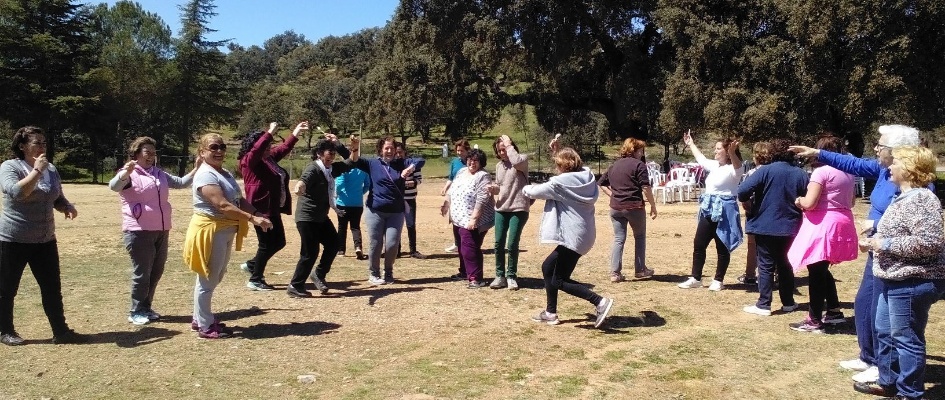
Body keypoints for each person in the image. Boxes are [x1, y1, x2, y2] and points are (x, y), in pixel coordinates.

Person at [790, 124, 921, 384]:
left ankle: (885, 366)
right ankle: (869, 357)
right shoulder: (884, 171)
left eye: (880, 145)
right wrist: (819, 152)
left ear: (896, 151)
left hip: (894, 254)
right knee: (864, 303)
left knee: (883, 314)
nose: (875, 148)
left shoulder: (914, 181)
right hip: (877, 250)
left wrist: (878, 225)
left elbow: (913, 221)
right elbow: (854, 165)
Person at [851, 146, 945, 400]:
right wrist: (874, 237)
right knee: (883, 331)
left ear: (910, 168)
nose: (889, 166)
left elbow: (930, 242)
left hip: (912, 279)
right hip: (890, 277)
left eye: (896, 162)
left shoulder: (923, 199)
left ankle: (910, 392)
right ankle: (888, 381)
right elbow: (899, 229)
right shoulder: (902, 197)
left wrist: (885, 244)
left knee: (906, 337)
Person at [0, 126, 86, 346]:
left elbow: (56, 197)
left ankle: (61, 331)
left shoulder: (51, 169)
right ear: (22, 146)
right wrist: (36, 171)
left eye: (44, 142)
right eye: (36, 142)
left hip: (45, 239)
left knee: (51, 287)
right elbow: (18, 192)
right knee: (7, 288)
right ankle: (5, 331)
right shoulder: (10, 167)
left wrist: (66, 205)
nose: (42, 146)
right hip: (13, 239)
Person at [183, 133, 273, 339]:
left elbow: (238, 199)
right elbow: (223, 205)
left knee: (215, 276)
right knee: (208, 278)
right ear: (202, 151)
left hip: (224, 230)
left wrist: (258, 214)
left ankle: (200, 318)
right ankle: (205, 326)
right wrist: (252, 219)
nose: (219, 151)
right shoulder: (206, 174)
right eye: (213, 147)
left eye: (222, 146)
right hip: (210, 230)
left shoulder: (223, 172)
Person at [109, 136, 202, 325]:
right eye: (147, 152)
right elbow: (114, 186)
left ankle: (146, 307)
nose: (151, 156)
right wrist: (124, 173)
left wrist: (197, 168)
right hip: (138, 231)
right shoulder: (129, 173)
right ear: (136, 154)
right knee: (142, 272)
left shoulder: (158, 173)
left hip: (161, 229)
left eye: (153, 152)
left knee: (156, 271)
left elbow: (181, 182)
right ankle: (136, 311)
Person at [524, 137, 614, 329]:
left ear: (563, 168)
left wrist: (523, 187)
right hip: (584, 235)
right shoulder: (585, 177)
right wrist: (556, 151)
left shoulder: (559, 184)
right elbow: (569, 171)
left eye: (558, 165)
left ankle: (599, 301)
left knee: (559, 279)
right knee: (548, 267)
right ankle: (550, 312)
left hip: (573, 237)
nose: (556, 169)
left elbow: (535, 191)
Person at [786, 136, 858, 333]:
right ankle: (834, 310)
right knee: (822, 268)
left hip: (821, 225)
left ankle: (814, 319)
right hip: (842, 222)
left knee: (816, 271)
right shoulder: (849, 173)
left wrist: (799, 201)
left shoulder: (821, 172)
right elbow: (851, 202)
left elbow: (809, 203)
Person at [738, 139, 808, 316]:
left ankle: (764, 304)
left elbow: (742, 191)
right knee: (786, 265)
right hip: (791, 225)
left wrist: (750, 204)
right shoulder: (801, 174)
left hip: (766, 224)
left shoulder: (765, 171)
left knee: (766, 265)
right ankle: (788, 302)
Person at [238, 121, 305, 291]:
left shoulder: (269, 159)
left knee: (279, 242)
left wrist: (295, 133)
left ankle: (253, 265)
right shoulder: (249, 161)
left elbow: (283, 148)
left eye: (270, 145)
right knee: (266, 245)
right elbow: (256, 151)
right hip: (259, 210)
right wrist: (269, 133)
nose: (269, 148)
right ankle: (255, 279)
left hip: (273, 209)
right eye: (266, 145)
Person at [287, 136, 357, 297]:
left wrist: (347, 146)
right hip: (307, 217)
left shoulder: (332, 168)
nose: (332, 156)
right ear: (319, 154)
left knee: (333, 244)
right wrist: (299, 187)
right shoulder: (313, 168)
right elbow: (303, 181)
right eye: (329, 153)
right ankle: (295, 285)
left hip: (320, 217)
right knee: (310, 252)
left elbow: (352, 161)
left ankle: (318, 274)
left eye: (333, 153)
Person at [350, 136, 425, 285]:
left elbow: (421, 160)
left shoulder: (401, 163)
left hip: (396, 212)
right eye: (386, 148)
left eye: (392, 148)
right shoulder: (372, 163)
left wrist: (410, 168)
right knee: (375, 243)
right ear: (381, 149)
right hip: (375, 211)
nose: (389, 151)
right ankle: (373, 273)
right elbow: (355, 160)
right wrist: (355, 146)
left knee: (392, 244)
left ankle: (388, 272)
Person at [677, 131, 743, 291]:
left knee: (722, 245)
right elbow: (701, 159)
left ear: (727, 152)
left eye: (718, 149)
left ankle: (718, 280)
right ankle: (695, 278)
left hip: (725, 209)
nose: (714, 151)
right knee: (699, 243)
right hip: (708, 208)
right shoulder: (715, 166)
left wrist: (733, 153)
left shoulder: (734, 169)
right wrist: (690, 143)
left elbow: (738, 167)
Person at [598, 137, 658, 283]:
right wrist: (653, 205)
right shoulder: (639, 165)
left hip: (616, 207)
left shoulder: (614, 166)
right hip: (634, 206)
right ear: (636, 150)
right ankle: (640, 269)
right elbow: (645, 187)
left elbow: (601, 183)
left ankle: (615, 273)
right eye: (641, 150)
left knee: (619, 238)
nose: (642, 153)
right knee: (640, 237)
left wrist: (614, 195)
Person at [441, 148, 495, 288]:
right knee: (461, 247)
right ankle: (464, 272)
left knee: (470, 249)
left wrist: (474, 219)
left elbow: (482, 199)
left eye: (476, 160)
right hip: (458, 217)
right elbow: (452, 190)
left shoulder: (483, 176)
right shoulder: (461, 172)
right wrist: (446, 204)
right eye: (470, 159)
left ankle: (475, 278)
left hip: (472, 219)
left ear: (481, 162)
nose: (472, 162)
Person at [489, 135, 531, 290]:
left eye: (505, 148)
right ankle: (499, 276)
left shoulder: (522, 161)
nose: (503, 152)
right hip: (501, 208)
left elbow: (517, 161)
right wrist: (494, 189)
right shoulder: (499, 166)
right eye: (500, 150)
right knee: (498, 243)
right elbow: (501, 186)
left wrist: (508, 144)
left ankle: (511, 276)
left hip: (518, 208)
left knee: (512, 243)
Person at [737, 142, 772, 286]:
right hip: (772, 214)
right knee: (772, 247)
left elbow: (744, 194)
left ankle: (750, 275)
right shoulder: (774, 171)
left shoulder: (752, 173)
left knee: (752, 246)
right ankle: (772, 274)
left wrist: (749, 208)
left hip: (756, 215)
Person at [396, 142, 425, 259]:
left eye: (400, 152)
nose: (398, 155)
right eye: (396, 152)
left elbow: (419, 179)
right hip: (396, 200)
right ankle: (396, 250)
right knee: (396, 226)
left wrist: (409, 183)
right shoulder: (392, 165)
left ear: (405, 152)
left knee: (411, 225)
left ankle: (413, 250)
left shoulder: (412, 164)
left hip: (409, 199)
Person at [335, 165, 370, 260]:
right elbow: (368, 184)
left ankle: (341, 250)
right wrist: (359, 193)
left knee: (342, 227)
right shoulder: (362, 169)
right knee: (355, 227)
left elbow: (340, 184)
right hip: (357, 203)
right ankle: (358, 247)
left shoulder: (343, 169)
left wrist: (337, 193)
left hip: (343, 202)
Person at [441, 139, 470, 253]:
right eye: (457, 150)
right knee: (454, 218)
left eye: (461, 150)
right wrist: (445, 187)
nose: (459, 153)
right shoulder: (454, 162)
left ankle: (466, 243)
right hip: (455, 193)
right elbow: (451, 178)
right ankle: (457, 243)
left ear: (467, 150)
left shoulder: (471, 162)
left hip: (467, 195)